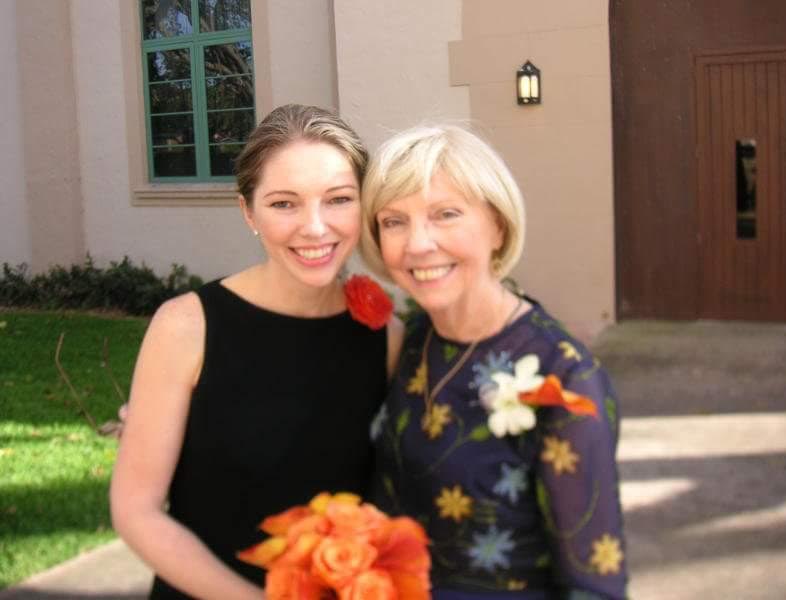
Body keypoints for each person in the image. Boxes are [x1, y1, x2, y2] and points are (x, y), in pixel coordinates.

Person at [110, 104, 403, 600]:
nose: (315, 227)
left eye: (338, 199)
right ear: (248, 212)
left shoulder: (385, 336)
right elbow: (136, 510)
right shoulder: (187, 327)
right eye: (284, 204)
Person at [360, 124, 628, 599]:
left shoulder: (564, 379)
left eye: (445, 214)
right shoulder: (416, 336)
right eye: (394, 221)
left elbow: (593, 585)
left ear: (498, 226)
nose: (417, 243)